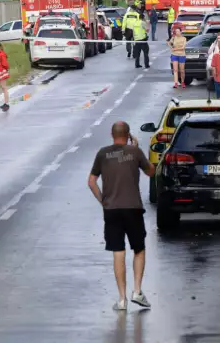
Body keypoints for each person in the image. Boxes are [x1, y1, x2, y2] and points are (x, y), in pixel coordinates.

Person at [88, 121, 154, 312]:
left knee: (118, 252)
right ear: (128, 135)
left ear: (112, 134)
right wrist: (137, 149)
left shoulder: (102, 153)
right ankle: (138, 291)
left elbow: (91, 182)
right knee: (139, 249)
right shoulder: (135, 152)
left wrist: (103, 202)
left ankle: (122, 299)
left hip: (112, 210)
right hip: (133, 208)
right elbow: (151, 172)